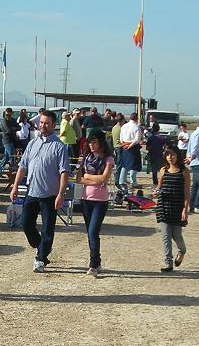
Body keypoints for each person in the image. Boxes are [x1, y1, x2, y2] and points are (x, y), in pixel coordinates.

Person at [10, 110, 69, 273]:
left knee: (47, 228)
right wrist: (15, 186)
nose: (43, 126)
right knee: (26, 223)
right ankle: (41, 245)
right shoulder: (32, 143)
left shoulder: (59, 147)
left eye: (47, 123)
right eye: (41, 122)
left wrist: (61, 194)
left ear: (54, 125)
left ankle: (41, 258)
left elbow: (64, 172)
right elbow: (23, 166)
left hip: (50, 195)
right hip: (32, 192)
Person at [75, 129, 114, 276]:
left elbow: (104, 178)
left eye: (95, 142)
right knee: (90, 233)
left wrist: (87, 176)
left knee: (93, 231)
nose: (91, 145)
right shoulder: (86, 158)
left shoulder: (108, 159)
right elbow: (78, 179)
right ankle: (97, 261)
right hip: (86, 199)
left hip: (100, 200)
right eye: (90, 142)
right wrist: (94, 179)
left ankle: (93, 264)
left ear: (101, 143)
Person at [154, 147, 190, 272]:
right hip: (163, 206)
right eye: (168, 155)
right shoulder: (163, 170)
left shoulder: (184, 171)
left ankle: (182, 250)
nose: (170, 157)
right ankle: (168, 262)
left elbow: (187, 192)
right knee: (166, 236)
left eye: (173, 154)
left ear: (177, 155)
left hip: (177, 207)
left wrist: (185, 209)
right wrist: (156, 192)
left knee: (177, 236)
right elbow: (159, 187)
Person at [116, 113, 143, 188]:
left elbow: (121, 138)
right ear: (137, 118)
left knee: (124, 164)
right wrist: (130, 146)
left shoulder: (124, 126)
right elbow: (137, 140)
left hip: (124, 147)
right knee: (134, 165)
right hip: (133, 148)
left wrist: (125, 145)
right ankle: (133, 182)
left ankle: (121, 181)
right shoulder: (137, 127)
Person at [0, 107, 19, 176]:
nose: (8, 116)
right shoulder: (4, 121)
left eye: (9, 114)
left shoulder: (13, 120)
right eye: (7, 115)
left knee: (6, 157)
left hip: (12, 140)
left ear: (11, 113)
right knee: (11, 155)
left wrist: (13, 128)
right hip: (7, 140)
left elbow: (19, 127)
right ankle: (12, 171)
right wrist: (14, 128)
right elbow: (8, 130)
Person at [146, 120, 166, 186]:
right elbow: (165, 147)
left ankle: (155, 182)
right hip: (160, 155)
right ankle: (161, 181)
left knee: (154, 170)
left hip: (152, 155)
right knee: (161, 169)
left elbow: (147, 147)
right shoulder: (162, 138)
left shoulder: (151, 138)